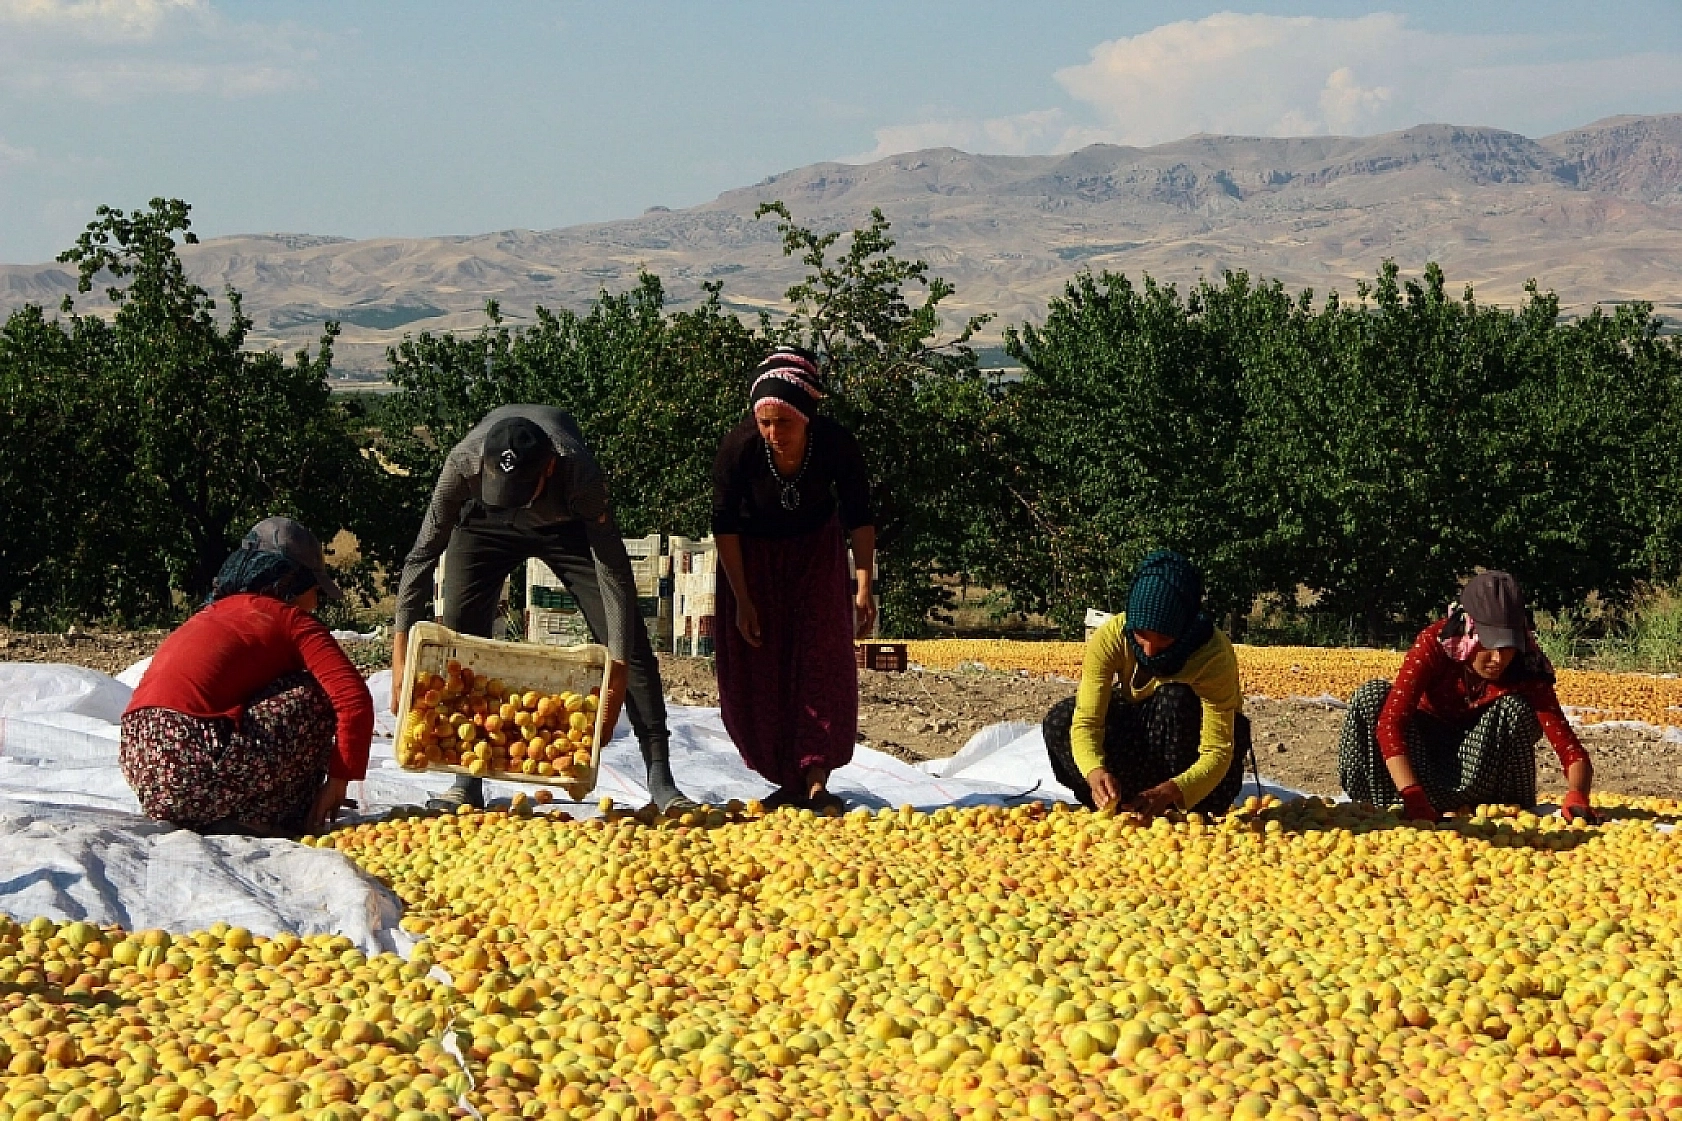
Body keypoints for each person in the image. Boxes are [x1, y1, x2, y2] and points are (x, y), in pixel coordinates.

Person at [391, 405, 692, 811]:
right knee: (462, 637)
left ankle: (660, 777)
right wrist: (400, 657)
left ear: (548, 468)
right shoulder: (462, 464)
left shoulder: (579, 473)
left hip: (565, 528)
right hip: (483, 526)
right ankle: (467, 777)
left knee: (627, 639)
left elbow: (613, 571)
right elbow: (421, 557)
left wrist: (617, 672)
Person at [120, 517, 372, 837]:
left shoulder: (210, 614)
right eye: (315, 591)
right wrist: (339, 780)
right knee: (317, 693)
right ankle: (269, 815)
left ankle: (233, 813)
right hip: (192, 762)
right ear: (292, 583)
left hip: (146, 768)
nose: (316, 603)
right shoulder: (291, 620)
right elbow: (353, 699)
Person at [712, 347, 877, 812]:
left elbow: (859, 514)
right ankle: (787, 776)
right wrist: (743, 599)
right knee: (761, 664)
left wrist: (863, 585)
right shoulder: (740, 448)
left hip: (815, 554)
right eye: (765, 423)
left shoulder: (835, 444)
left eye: (783, 423)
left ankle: (816, 775)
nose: (773, 434)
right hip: (751, 560)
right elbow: (724, 524)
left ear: (806, 417)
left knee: (821, 656)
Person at [1338, 570, 1598, 823]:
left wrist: (1578, 795)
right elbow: (1390, 724)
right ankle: (1393, 803)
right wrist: (1413, 796)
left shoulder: (1526, 663)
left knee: (1515, 709)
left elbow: (1569, 748)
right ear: (1468, 631)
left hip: (1480, 768)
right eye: (1490, 645)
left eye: (1508, 647)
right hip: (1420, 757)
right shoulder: (1433, 644)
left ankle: (1500, 810)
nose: (1499, 659)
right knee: (1372, 697)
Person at [1043, 550, 1249, 815]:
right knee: (1060, 720)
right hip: (1141, 753)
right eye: (1141, 635)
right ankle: (1115, 802)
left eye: (1164, 638)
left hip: (1198, 775)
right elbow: (1087, 721)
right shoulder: (1112, 637)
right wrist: (1095, 772)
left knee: (1174, 698)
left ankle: (1174, 809)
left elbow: (1217, 751)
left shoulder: (1213, 655)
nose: (1150, 651)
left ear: (1184, 626)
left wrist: (1171, 790)